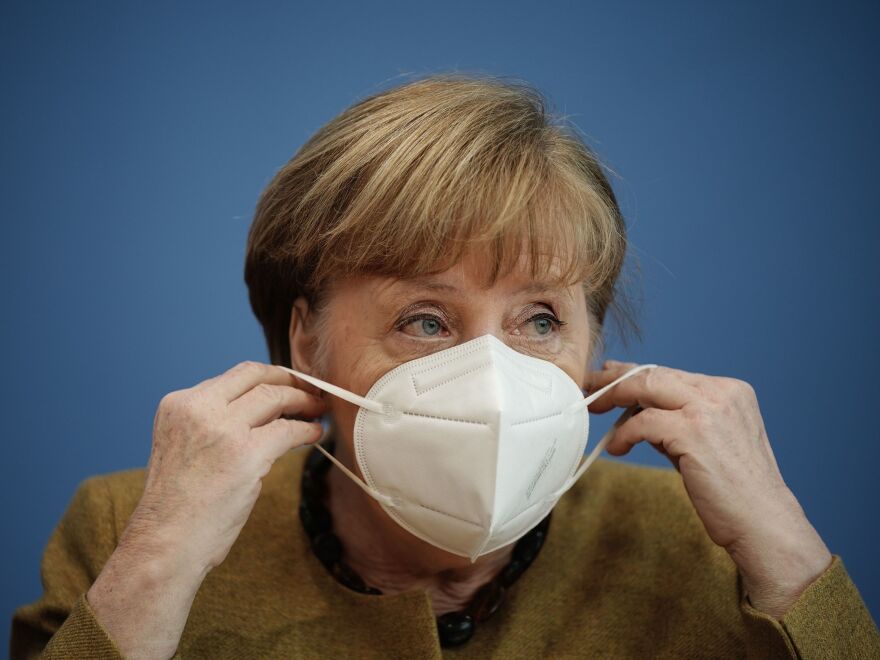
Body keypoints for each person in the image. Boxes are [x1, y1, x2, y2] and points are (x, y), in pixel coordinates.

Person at [10, 73, 879, 659]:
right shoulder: (127, 526)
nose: (491, 377)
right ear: (305, 340)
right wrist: (159, 562)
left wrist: (790, 556)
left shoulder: (702, 544)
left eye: (540, 318)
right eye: (426, 319)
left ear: (593, 347)